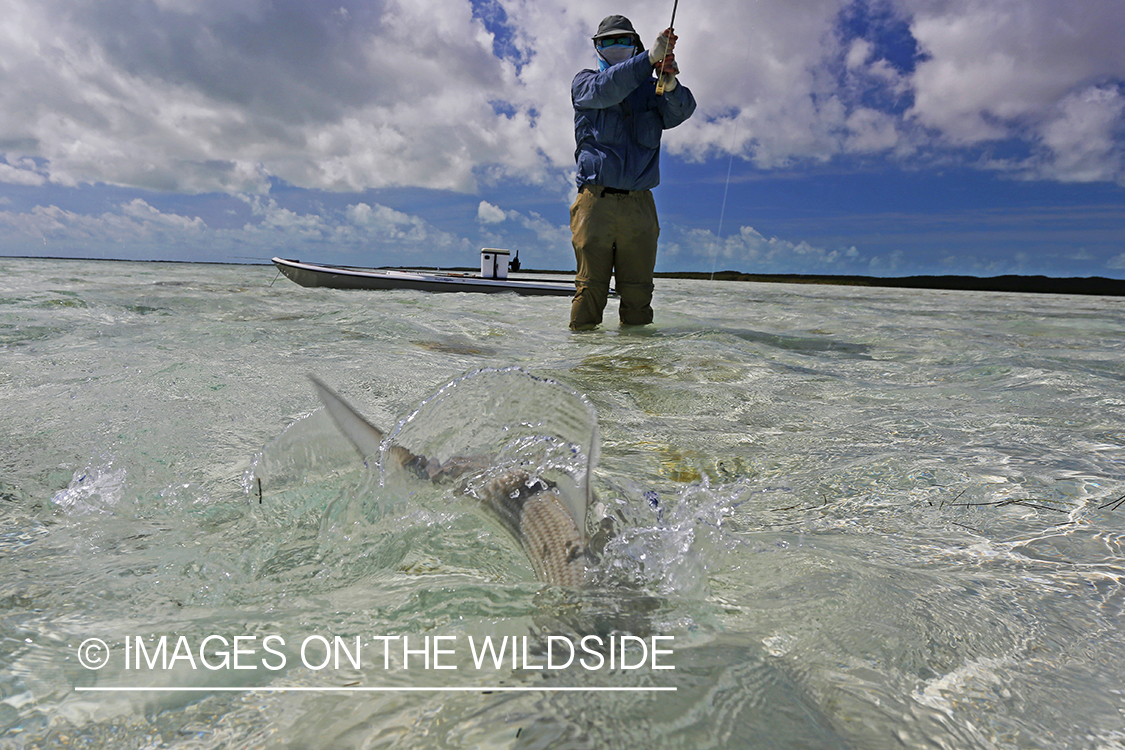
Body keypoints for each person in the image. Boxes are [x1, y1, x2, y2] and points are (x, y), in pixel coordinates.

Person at [569, 14, 697, 330]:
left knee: (639, 295)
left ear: (635, 44)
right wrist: (648, 59)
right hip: (594, 203)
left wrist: (670, 82)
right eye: (606, 41)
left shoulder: (652, 91)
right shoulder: (585, 83)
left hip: (640, 205)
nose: (614, 46)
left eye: (622, 40)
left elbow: (683, 111)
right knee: (589, 291)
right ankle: (582, 371)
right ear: (596, 47)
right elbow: (608, 89)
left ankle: (637, 373)